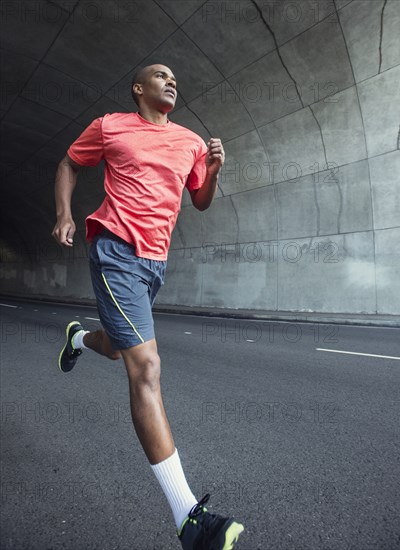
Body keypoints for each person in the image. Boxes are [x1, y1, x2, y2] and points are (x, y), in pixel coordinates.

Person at [52, 64, 244, 549]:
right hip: (116, 252)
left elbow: (198, 200)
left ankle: (78, 337)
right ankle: (188, 519)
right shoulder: (110, 126)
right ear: (139, 88)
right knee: (146, 368)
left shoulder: (192, 142)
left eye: (176, 77)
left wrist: (215, 171)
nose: (172, 80)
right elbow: (70, 163)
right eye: (161, 75)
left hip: (155, 262)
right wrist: (64, 214)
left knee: (118, 349)